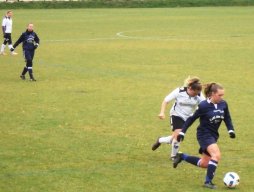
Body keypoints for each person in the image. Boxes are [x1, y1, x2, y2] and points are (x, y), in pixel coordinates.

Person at [173, 83, 236, 189]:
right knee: (216, 155)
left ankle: (182, 156)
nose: (222, 97)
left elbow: (227, 118)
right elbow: (191, 119)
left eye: (222, 95)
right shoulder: (203, 105)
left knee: (204, 164)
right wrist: (182, 132)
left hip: (214, 135)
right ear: (212, 94)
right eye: (220, 95)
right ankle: (208, 182)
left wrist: (231, 130)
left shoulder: (223, 104)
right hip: (203, 135)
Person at [152, 76, 205, 160]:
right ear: (190, 88)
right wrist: (162, 112)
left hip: (188, 118)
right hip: (176, 115)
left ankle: (160, 140)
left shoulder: (199, 94)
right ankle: (174, 156)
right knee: (178, 135)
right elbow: (166, 100)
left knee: (174, 138)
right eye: (194, 93)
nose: (196, 95)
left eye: (197, 93)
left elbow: (204, 105)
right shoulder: (179, 91)